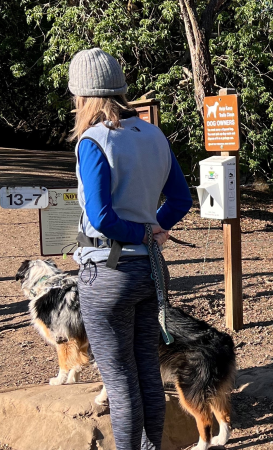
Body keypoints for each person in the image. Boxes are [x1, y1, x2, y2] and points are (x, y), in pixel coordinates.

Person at [69, 48, 192, 450]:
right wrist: (155, 228)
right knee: (146, 375)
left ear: (83, 96)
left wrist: (137, 233)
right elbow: (180, 199)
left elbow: (102, 217)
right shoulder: (154, 135)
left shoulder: (94, 140)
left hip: (106, 274)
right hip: (148, 274)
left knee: (120, 383)